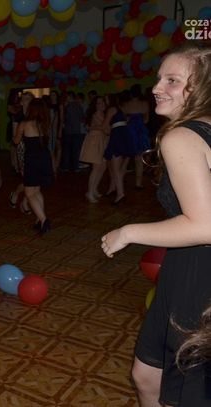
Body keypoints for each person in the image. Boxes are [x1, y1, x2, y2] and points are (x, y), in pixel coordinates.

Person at [101, 41, 211, 406]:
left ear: (201, 87)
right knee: (147, 375)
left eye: (172, 80)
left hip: (198, 275)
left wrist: (128, 232)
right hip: (183, 267)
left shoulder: (182, 136)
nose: (156, 88)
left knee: (191, 391)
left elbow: (205, 225)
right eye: (159, 78)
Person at [13, 98, 54, 235]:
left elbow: (16, 141)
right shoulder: (45, 124)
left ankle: (44, 220)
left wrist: (15, 131)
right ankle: (39, 220)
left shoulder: (24, 124)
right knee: (37, 190)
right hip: (45, 158)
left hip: (32, 160)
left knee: (29, 193)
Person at [80, 96, 108, 203]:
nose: (102, 104)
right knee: (96, 167)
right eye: (99, 103)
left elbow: (104, 128)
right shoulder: (95, 115)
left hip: (101, 140)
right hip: (94, 141)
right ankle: (90, 192)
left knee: (103, 166)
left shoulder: (104, 114)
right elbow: (103, 128)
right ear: (95, 105)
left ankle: (94, 189)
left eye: (103, 102)